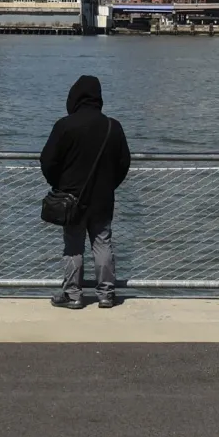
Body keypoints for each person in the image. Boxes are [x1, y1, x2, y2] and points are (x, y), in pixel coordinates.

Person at [38, 75, 132, 309]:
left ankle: (73, 294)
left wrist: (59, 185)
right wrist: (110, 184)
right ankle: (106, 294)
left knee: (73, 246)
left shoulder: (65, 126)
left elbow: (47, 161)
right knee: (103, 244)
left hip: (71, 199)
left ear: (74, 98)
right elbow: (124, 163)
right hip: (103, 199)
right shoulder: (113, 126)